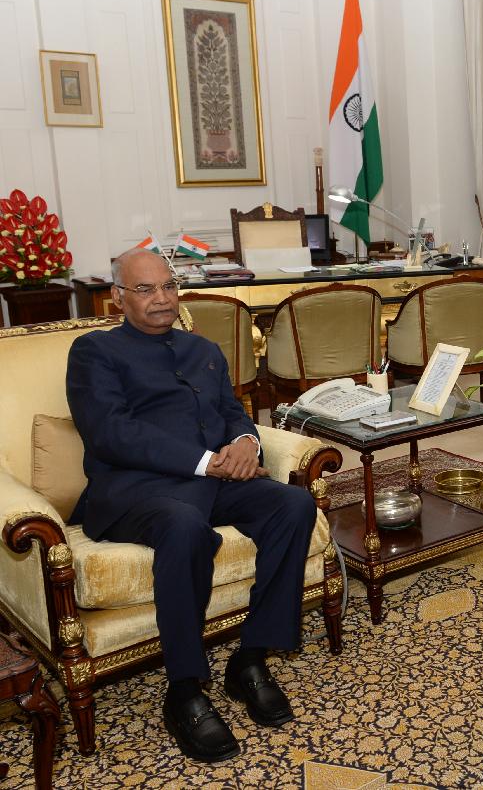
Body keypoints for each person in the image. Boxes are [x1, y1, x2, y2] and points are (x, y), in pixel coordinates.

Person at [66, 249, 318, 763]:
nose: (161, 298)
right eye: (145, 289)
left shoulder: (203, 348)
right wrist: (207, 462)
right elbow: (111, 432)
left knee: (293, 504)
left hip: (213, 481)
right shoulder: (95, 351)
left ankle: (250, 659)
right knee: (184, 526)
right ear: (117, 297)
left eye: (168, 286)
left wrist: (246, 441)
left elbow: (230, 410)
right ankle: (184, 690)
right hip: (137, 490)